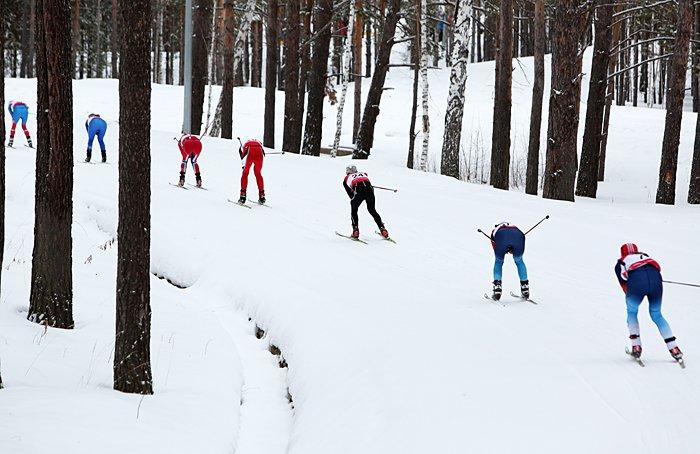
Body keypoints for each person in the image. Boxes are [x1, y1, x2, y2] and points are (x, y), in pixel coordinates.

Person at [615, 243, 683, 361]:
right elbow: (657, 269)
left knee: (632, 312)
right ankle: (674, 348)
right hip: (656, 282)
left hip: (637, 285)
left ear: (622, 253)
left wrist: (631, 296)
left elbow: (624, 281)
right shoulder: (646, 256)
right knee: (657, 315)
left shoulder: (621, 262)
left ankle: (636, 346)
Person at [343, 165, 388, 239]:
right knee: (372, 210)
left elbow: (350, 195)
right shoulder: (363, 173)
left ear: (347, 172)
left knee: (354, 210)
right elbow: (367, 181)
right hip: (369, 191)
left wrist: (354, 199)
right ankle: (382, 229)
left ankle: (355, 230)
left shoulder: (346, 179)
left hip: (359, 192)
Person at [489, 222, 528, 300]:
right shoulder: (514, 227)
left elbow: (496, 247)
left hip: (501, 238)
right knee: (519, 260)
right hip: (519, 236)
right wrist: (512, 249)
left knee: (499, 261)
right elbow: (520, 238)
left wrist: (505, 249)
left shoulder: (495, 231)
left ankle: (497, 287)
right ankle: (525, 287)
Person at [239, 139, 265, 204]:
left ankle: (243, 196)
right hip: (259, 153)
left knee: (245, 173)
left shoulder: (246, 144)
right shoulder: (259, 144)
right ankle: (262, 196)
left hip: (249, 153)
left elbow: (242, 155)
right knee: (258, 174)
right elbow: (263, 154)